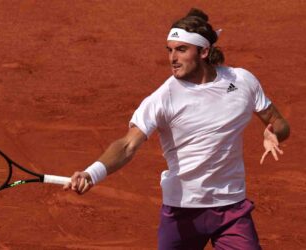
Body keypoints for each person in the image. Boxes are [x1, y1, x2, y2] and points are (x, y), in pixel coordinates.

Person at [63, 8, 290, 250]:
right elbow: (128, 144)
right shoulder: (164, 98)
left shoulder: (242, 81)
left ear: (203, 51)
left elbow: (279, 122)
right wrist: (91, 173)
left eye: (181, 49)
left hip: (231, 208)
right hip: (182, 211)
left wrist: (275, 133)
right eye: (169, 50)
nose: (173, 58)